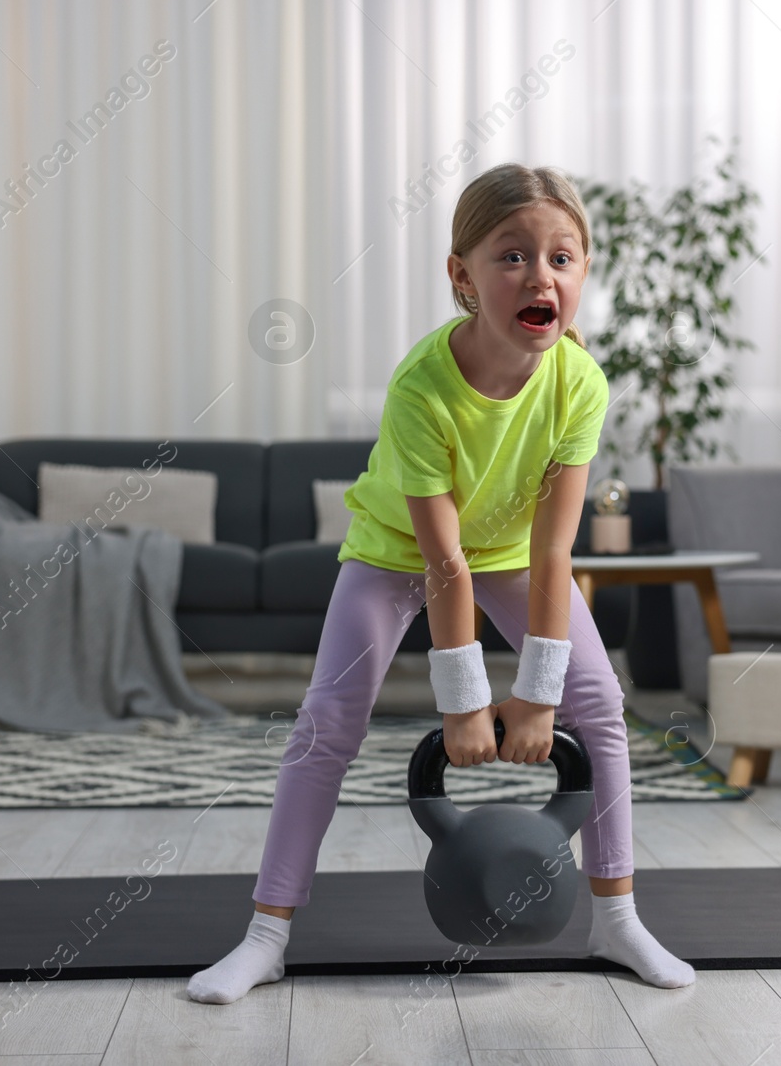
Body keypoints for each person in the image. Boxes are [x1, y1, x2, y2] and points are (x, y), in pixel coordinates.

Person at [187, 163, 695, 1004]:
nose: (541, 276)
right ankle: (266, 936)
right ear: (461, 275)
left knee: (598, 704)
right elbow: (443, 563)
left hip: (516, 556)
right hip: (397, 551)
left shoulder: (582, 384)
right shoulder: (422, 386)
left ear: (584, 274)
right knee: (327, 723)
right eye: (512, 257)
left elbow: (552, 551)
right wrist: (465, 705)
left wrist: (535, 697)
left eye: (562, 258)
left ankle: (616, 916)